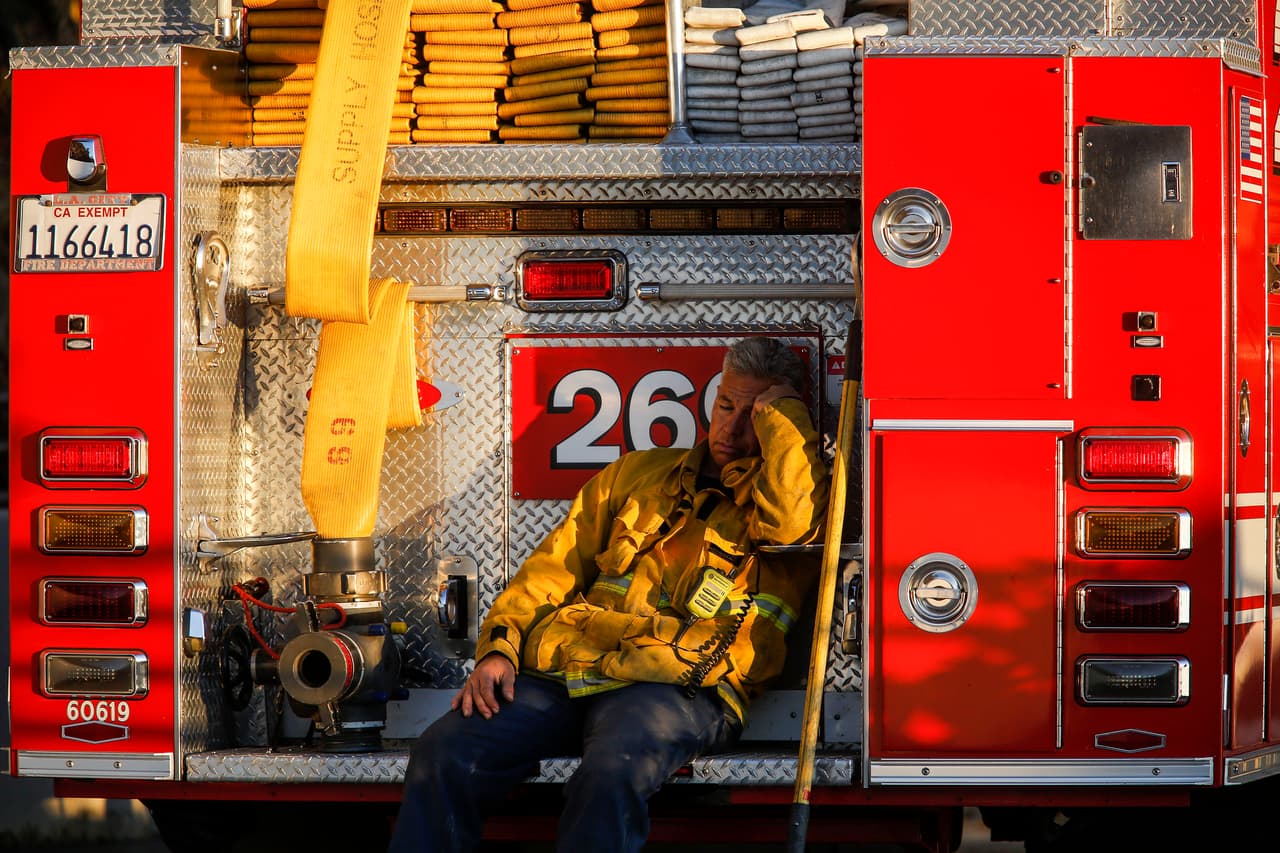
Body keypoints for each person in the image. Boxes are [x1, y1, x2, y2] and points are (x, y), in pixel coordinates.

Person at [389, 337, 830, 853]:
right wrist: (500, 646)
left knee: (610, 774)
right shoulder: (636, 473)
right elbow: (552, 567)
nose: (729, 430)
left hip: (677, 687)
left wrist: (778, 415)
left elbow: (790, 524)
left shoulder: (792, 497)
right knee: (444, 751)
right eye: (725, 405)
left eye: (751, 417)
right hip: (569, 673)